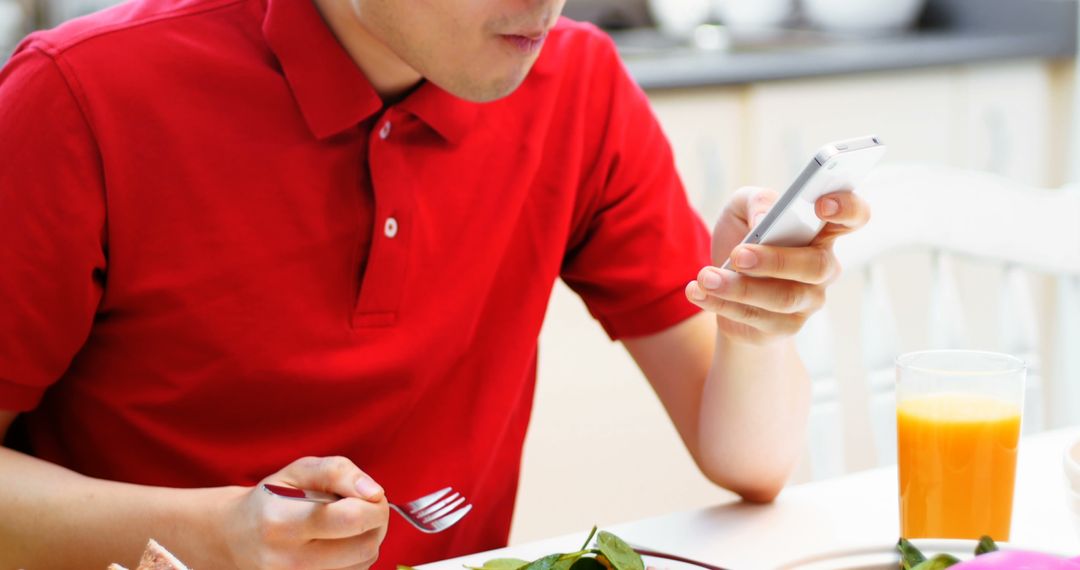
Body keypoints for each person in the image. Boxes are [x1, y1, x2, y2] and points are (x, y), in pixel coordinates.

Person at [0, 0, 869, 568]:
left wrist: (755, 330)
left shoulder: (578, 87)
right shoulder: (80, 97)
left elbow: (750, 464)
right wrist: (219, 535)